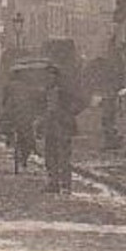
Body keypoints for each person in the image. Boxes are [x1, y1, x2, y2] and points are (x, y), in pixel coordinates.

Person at [41, 63, 78, 195]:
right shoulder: (46, 90)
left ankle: (65, 184)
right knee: (50, 155)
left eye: (51, 75)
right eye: (47, 76)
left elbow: (77, 104)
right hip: (50, 125)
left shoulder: (65, 91)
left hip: (62, 126)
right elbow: (42, 108)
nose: (49, 78)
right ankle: (53, 182)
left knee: (64, 156)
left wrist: (68, 115)